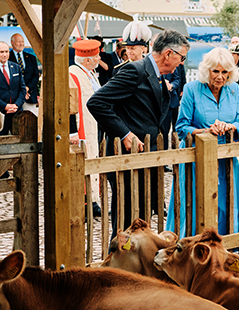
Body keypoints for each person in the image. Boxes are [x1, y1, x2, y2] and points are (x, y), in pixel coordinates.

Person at [87, 29, 190, 240]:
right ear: (168, 54)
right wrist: (124, 133)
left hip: (148, 158)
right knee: (126, 221)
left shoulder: (158, 76)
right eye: (182, 58)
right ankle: (118, 267)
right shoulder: (135, 70)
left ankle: (137, 265)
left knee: (142, 220)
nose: (182, 63)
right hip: (129, 159)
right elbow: (97, 102)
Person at [167, 47, 239, 236]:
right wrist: (207, 130)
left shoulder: (234, 89)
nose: (220, 77)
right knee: (195, 202)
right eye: (216, 71)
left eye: (225, 72)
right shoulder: (191, 89)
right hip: (196, 156)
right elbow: (181, 127)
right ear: (207, 71)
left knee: (226, 202)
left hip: (226, 157)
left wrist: (229, 126)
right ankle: (190, 245)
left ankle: (226, 244)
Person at [69, 39, 102, 216]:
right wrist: (73, 131)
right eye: (96, 56)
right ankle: (84, 201)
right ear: (87, 60)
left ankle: (92, 199)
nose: (99, 58)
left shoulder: (89, 73)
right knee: (83, 162)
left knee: (92, 159)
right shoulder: (72, 74)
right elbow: (69, 102)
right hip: (81, 126)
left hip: (92, 124)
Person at [9, 33, 40, 115]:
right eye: (18, 41)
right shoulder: (7, 58)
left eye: (22, 41)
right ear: (12, 43)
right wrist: (21, 90)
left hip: (30, 96)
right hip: (13, 99)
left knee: (31, 123)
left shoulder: (31, 58)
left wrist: (27, 88)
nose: (21, 44)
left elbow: (35, 76)